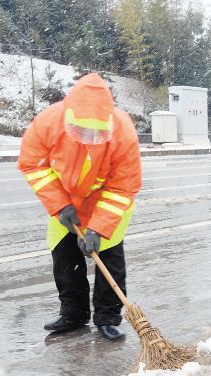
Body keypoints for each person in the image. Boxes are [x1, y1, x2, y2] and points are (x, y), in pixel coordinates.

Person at [18, 73, 142, 340]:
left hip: (106, 202)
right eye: (81, 130)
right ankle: (73, 313)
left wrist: (98, 228)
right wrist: (60, 205)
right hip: (64, 202)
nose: (88, 138)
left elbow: (123, 186)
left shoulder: (124, 133)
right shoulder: (48, 122)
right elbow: (33, 165)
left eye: (95, 132)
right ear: (68, 116)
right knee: (64, 259)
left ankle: (108, 317)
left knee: (109, 261)